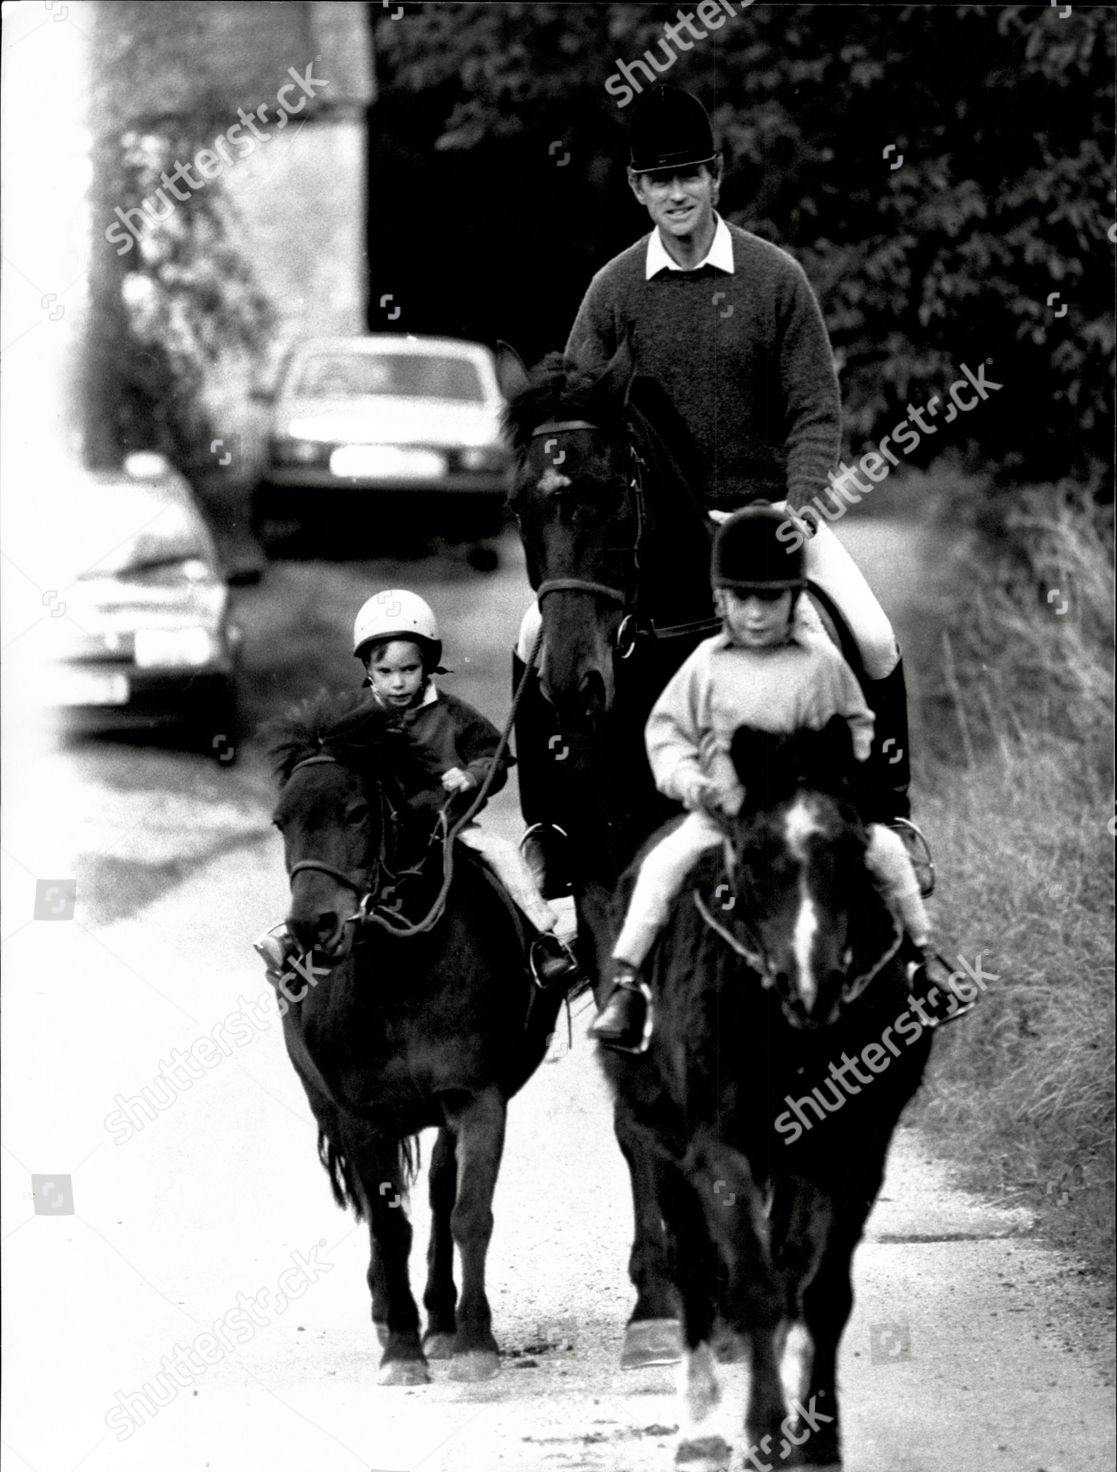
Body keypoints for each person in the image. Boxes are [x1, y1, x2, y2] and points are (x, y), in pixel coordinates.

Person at [518, 82, 921, 893]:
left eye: (690, 176)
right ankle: (549, 830)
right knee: (533, 640)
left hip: (761, 512)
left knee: (872, 634)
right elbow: (574, 414)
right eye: (658, 180)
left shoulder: (775, 280)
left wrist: (795, 511)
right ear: (637, 189)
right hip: (643, 527)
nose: (676, 193)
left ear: (716, 177)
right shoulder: (612, 291)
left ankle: (891, 813)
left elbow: (814, 411)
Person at [590, 509, 951, 1053]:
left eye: (771, 599)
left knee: (888, 855)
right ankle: (628, 987)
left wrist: (842, 770)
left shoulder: (821, 664)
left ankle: (925, 961)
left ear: (794, 598)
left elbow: (859, 722)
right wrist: (688, 781)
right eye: (742, 600)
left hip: (809, 813)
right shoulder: (705, 666)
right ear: (721, 601)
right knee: (661, 867)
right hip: (727, 814)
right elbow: (666, 734)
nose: (756, 615)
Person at [256, 589, 581, 995]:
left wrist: (471, 776)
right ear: (368, 670)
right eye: (386, 672)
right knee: (335, 871)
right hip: (381, 828)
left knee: (503, 855)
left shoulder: (451, 711)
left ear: (428, 664)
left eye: (409, 670)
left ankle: (544, 945)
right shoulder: (356, 716)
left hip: (447, 824)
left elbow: (493, 755)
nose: (398, 682)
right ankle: (296, 949)